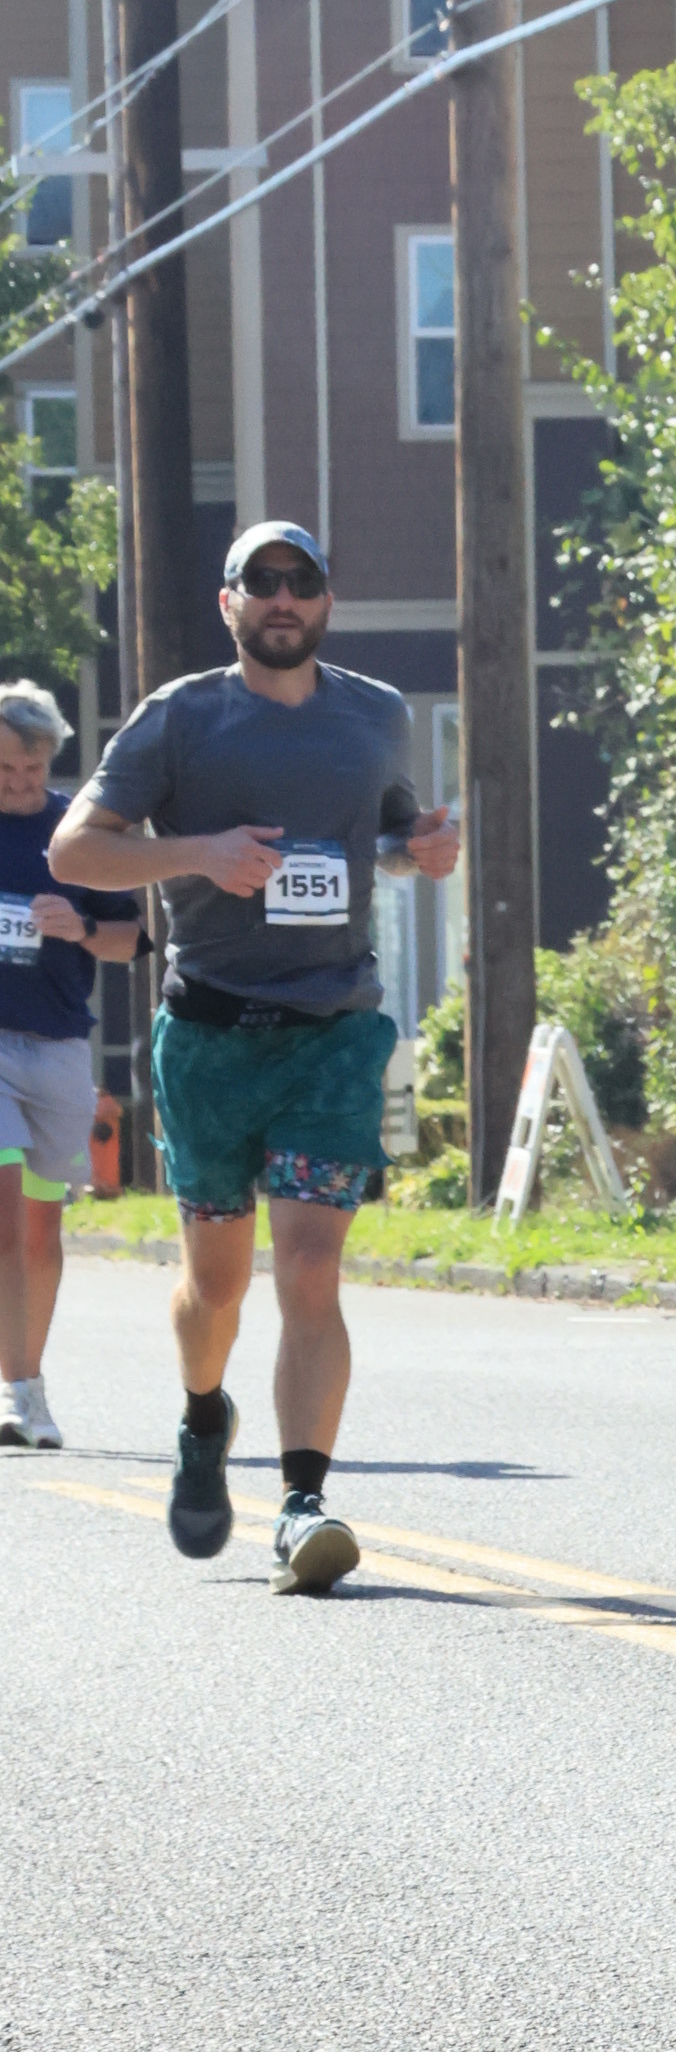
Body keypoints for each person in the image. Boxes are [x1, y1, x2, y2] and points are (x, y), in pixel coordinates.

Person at [51, 523, 459, 1591]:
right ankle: (203, 1418)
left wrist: (422, 848)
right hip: (210, 1035)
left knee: (311, 1269)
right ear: (227, 601)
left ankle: (302, 1504)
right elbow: (75, 848)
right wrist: (201, 853)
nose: (284, 598)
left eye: (302, 581)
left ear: (326, 601)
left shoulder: (376, 713)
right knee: (217, 1286)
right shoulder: (180, 717)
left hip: (334, 1028)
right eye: (262, 581)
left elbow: (386, 834)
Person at [0, 679, 141, 1449]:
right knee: (5, 1216)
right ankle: (16, 1392)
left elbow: (131, 942)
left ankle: (30, 1382)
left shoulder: (75, 836)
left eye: (32, 769)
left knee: (41, 1231)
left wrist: (79, 927)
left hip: (57, 1051)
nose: (19, 784)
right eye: (4, 770)